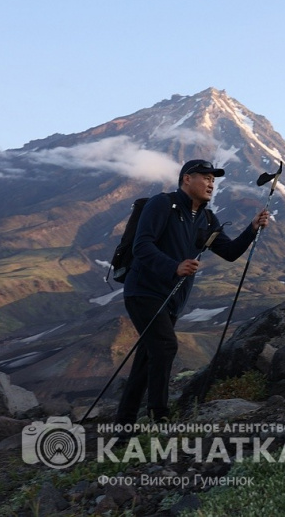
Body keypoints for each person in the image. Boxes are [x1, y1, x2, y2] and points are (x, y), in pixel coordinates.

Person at [115, 159, 269, 424]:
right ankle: (159, 416)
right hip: (143, 290)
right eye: (206, 178)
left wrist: (252, 229)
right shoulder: (162, 204)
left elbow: (230, 253)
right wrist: (173, 267)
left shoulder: (207, 219)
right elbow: (142, 246)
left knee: (147, 358)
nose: (211, 183)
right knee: (164, 346)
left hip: (173, 298)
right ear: (187, 179)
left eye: (213, 180)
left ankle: (124, 426)